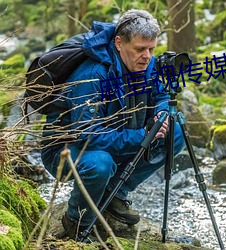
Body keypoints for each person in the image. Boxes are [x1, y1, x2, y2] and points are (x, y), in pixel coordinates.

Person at [41, 9, 185, 241]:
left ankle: (115, 193)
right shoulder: (91, 75)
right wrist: (142, 135)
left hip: (118, 135)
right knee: (100, 164)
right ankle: (76, 221)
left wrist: (161, 113)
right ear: (119, 43)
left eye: (152, 49)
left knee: (175, 132)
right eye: (140, 49)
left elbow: (161, 94)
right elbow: (87, 135)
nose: (147, 56)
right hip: (67, 150)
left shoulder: (145, 63)